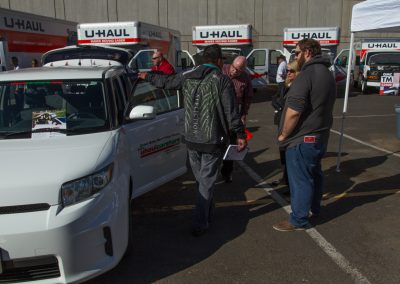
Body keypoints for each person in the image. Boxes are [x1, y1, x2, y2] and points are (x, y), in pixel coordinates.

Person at [138, 44, 247, 237]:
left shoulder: (188, 76)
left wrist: (147, 76)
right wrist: (240, 135)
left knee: (202, 182)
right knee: (205, 183)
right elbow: (232, 112)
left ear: (204, 59)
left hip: (192, 139)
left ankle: (206, 214)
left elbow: (167, 82)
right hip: (212, 140)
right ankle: (200, 222)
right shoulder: (221, 80)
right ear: (219, 61)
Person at [273, 38, 336, 232]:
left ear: (307, 52)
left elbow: (294, 111)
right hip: (319, 136)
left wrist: (283, 134)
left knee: (300, 179)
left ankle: (298, 219)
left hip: (303, 138)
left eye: (296, 52)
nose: (294, 56)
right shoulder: (327, 73)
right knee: (314, 175)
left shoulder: (306, 75)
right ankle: (314, 208)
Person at [220, 55, 254, 183]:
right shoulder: (221, 70)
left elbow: (248, 97)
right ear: (231, 64)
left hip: (234, 116)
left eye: (239, 70)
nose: (235, 71)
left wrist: (244, 114)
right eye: (234, 68)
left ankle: (226, 172)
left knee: (232, 145)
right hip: (219, 114)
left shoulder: (245, 78)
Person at [270, 60, 300, 187]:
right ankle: (285, 178)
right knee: (282, 152)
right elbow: (274, 99)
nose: (288, 73)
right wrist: (281, 106)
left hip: (291, 123)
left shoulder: (299, 87)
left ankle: (290, 182)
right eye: (287, 71)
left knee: (290, 153)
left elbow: (293, 107)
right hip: (281, 121)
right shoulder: (284, 85)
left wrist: (282, 106)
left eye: (291, 71)